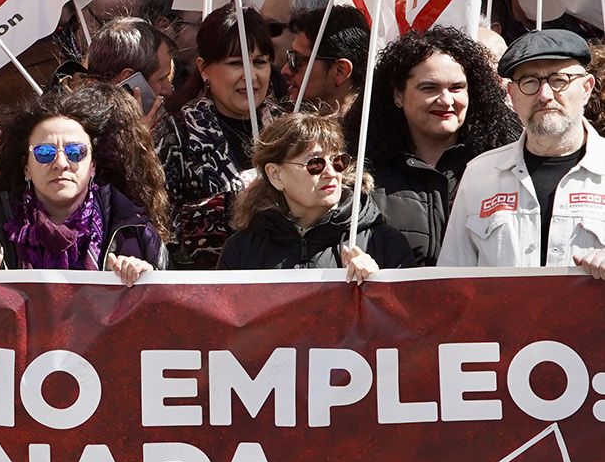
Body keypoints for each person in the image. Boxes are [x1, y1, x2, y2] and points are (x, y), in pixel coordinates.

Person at [0, 84, 167, 282]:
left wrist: (149, 279)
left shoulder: (134, 230)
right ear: (26, 167)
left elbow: (172, 308)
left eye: (75, 152)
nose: (60, 163)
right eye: (45, 153)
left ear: (93, 164)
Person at [438, 30, 605, 277]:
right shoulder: (480, 174)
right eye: (530, 82)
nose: (545, 95)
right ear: (512, 95)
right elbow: (451, 282)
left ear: (586, 88)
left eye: (559, 80)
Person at [349, 27, 521, 265]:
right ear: (398, 95)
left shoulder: (504, 168)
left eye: (457, 88)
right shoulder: (361, 174)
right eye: (429, 88)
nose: (447, 100)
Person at [156, 4, 281, 269]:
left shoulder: (288, 131)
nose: (251, 76)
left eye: (260, 62)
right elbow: (162, 227)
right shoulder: (177, 136)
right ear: (203, 69)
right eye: (235, 63)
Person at [219, 113, 414, 280]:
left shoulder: (383, 242)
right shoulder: (241, 250)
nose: (331, 173)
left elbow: (408, 319)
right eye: (315, 164)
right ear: (275, 175)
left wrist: (378, 285)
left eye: (338, 161)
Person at [83, 17, 174, 127]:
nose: (168, 90)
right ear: (127, 79)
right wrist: (139, 136)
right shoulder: (79, 132)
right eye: (161, 79)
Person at [281, 4, 369, 118]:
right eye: (290, 56)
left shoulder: (370, 133)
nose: (285, 70)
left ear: (340, 71)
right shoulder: (282, 128)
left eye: (296, 60)